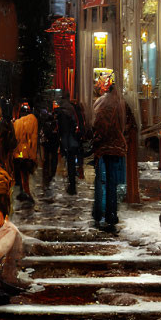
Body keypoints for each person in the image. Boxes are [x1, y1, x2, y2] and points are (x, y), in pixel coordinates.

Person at [90, 74, 127, 232]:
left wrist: (96, 138)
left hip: (103, 147)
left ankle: (99, 213)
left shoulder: (102, 102)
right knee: (112, 183)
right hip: (117, 147)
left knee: (101, 181)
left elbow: (98, 123)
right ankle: (111, 214)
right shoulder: (120, 103)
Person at [55, 99, 84, 195]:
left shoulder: (61, 113)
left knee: (69, 163)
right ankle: (72, 185)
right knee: (72, 163)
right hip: (74, 141)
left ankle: (71, 186)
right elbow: (80, 125)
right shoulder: (74, 110)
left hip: (66, 142)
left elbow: (60, 130)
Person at [12, 102, 39, 204]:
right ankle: (26, 193)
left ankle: (23, 193)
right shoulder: (33, 120)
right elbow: (34, 139)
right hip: (27, 154)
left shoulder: (16, 123)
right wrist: (33, 156)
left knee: (20, 175)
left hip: (18, 154)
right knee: (25, 175)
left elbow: (14, 140)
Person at [38, 101, 61, 191]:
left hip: (47, 143)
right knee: (53, 157)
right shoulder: (55, 122)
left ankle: (47, 175)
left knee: (47, 158)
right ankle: (52, 174)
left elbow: (42, 132)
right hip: (54, 143)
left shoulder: (44, 120)